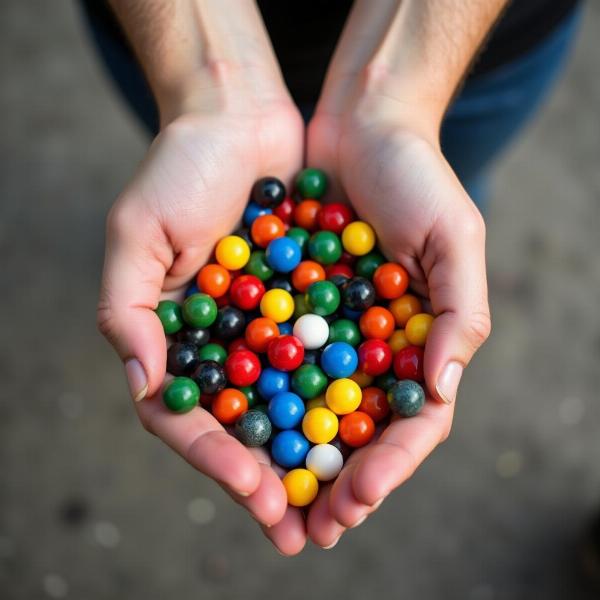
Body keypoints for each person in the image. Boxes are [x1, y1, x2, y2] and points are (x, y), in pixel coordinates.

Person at [84, 0, 581, 556]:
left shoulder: (351, 312)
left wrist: (401, 104)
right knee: (421, 244)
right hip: (164, 36)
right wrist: (206, 86)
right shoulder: (277, 307)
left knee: (438, 223)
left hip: (476, 46)